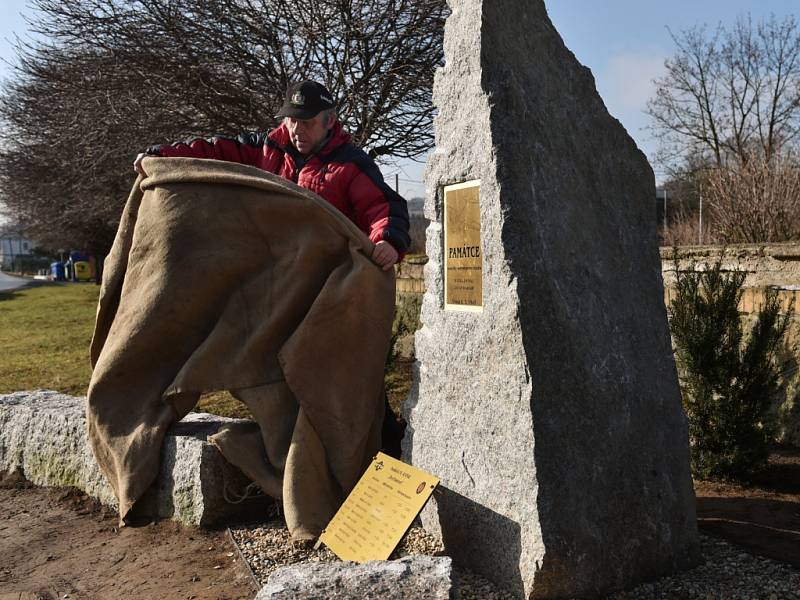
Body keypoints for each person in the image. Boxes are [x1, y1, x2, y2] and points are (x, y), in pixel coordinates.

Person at [134, 80, 410, 269]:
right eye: (293, 121)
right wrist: (161, 156)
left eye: (308, 122)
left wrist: (387, 240)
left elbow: (381, 207)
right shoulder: (264, 148)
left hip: (322, 275)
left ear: (330, 122)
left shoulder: (352, 163)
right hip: (263, 267)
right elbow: (213, 150)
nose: (298, 130)